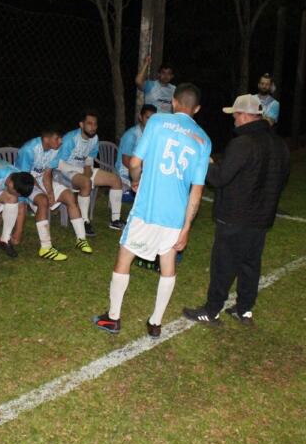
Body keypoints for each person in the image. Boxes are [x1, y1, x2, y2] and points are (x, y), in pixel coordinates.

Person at [93, 83, 211, 338]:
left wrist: (136, 178)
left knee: (123, 260)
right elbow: (197, 190)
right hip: (175, 216)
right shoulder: (204, 140)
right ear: (197, 109)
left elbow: (135, 162)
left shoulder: (157, 122)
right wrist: (187, 227)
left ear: (174, 103)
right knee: (168, 265)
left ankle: (113, 317)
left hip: (147, 209)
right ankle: (155, 322)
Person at [183, 94, 290, 325]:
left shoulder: (243, 143)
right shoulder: (279, 143)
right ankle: (245, 309)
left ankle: (211, 311)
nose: (233, 120)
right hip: (261, 219)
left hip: (235, 218)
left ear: (243, 115)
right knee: (250, 264)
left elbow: (220, 178)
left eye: (235, 115)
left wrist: (205, 161)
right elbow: (282, 180)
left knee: (224, 265)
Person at [15, 126, 93, 261]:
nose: (61, 141)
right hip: (24, 183)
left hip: (42, 180)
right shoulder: (28, 150)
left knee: (69, 196)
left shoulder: (55, 149)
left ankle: (81, 239)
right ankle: (45, 247)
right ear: (46, 139)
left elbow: (47, 173)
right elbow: (25, 176)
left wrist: (50, 192)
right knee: (43, 201)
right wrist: (43, 192)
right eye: (57, 138)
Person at [57, 110, 125, 237]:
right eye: (89, 123)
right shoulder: (70, 139)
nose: (93, 127)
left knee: (116, 180)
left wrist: (88, 167)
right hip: (66, 172)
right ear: (81, 125)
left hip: (82, 169)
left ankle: (115, 220)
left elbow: (89, 157)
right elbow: (59, 164)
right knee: (86, 183)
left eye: (95, 124)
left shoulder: (95, 138)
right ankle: (84, 221)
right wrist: (83, 171)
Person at [116, 104, 157, 190]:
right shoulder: (132, 135)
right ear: (140, 117)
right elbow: (125, 161)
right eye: (147, 117)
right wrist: (142, 172)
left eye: (153, 119)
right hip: (125, 171)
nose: (150, 121)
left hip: (138, 169)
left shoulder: (151, 134)